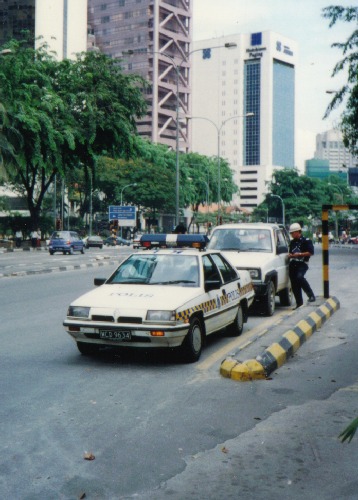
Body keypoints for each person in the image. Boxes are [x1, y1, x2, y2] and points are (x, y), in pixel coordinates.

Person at [288, 222, 315, 309]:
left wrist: (299, 254)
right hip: (293, 263)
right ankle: (299, 303)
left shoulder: (306, 241)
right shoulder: (292, 242)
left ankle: (310, 295)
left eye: (292, 233)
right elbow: (291, 252)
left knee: (300, 277)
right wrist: (290, 255)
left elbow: (310, 252)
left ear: (297, 232)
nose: (291, 235)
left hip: (302, 263)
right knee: (294, 283)